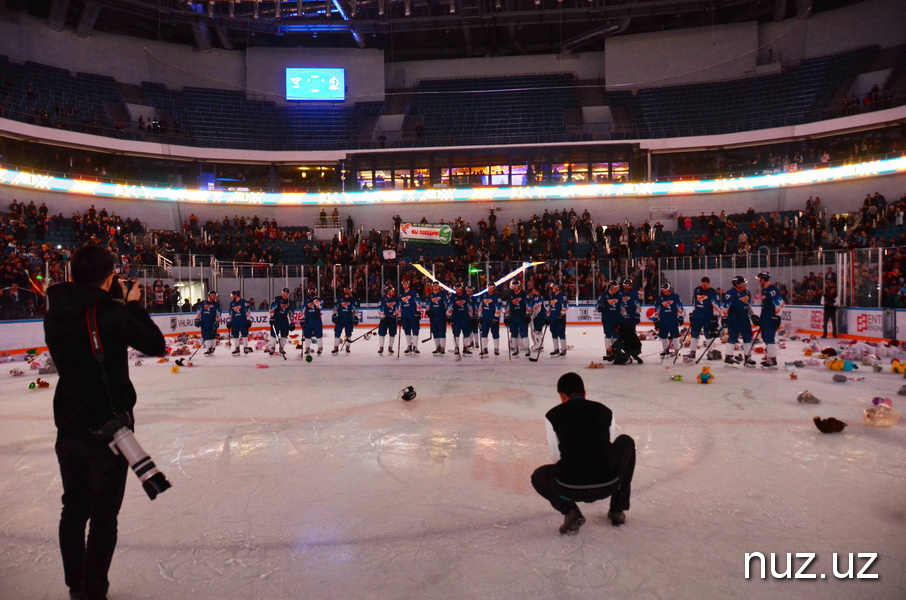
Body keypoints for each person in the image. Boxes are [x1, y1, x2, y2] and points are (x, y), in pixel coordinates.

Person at [44, 244, 166, 600]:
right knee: (102, 517)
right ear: (110, 276)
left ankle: (75, 587)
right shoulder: (108, 313)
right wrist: (132, 304)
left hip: (68, 426)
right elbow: (155, 344)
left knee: (73, 509)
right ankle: (93, 589)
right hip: (107, 432)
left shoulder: (54, 312)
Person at [531, 372, 636, 535]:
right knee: (626, 441)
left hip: (570, 486)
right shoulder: (605, 411)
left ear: (562, 395)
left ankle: (570, 510)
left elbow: (555, 455)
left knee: (539, 476)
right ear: (585, 393)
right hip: (608, 483)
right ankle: (617, 510)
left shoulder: (553, 416)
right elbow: (608, 449)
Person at [685, 276, 721, 361]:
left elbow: (715, 305)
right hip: (697, 316)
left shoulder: (713, 292)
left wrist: (716, 314)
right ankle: (692, 352)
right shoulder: (697, 290)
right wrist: (692, 313)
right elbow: (694, 302)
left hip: (708, 316)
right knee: (694, 334)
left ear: (709, 284)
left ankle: (710, 352)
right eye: (702, 284)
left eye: (705, 285)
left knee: (708, 335)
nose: (703, 286)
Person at [753, 271, 784, 369]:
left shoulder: (772, 289)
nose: (758, 281)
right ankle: (769, 358)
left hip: (772, 318)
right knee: (766, 338)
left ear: (763, 280)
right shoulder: (765, 290)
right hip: (766, 317)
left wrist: (776, 316)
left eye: (759, 280)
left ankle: (773, 361)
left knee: (770, 338)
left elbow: (780, 304)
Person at [721, 275, 755, 367]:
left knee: (748, 338)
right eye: (743, 284)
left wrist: (752, 315)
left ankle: (748, 358)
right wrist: (723, 318)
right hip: (734, 318)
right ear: (737, 285)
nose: (745, 285)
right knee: (732, 338)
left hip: (744, 318)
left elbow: (747, 305)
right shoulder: (730, 293)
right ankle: (728, 357)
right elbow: (725, 307)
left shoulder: (747, 292)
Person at [653, 282, 684, 358]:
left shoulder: (675, 297)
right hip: (663, 319)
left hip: (673, 319)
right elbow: (657, 310)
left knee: (675, 334)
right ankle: (665, 350)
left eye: (666, 289)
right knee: (663, 335)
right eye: (663, 290)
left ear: (669, 289)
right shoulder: (659, 299)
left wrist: (681, 317)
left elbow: (680, 307)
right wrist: (656, 319)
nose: (665, 291)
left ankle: (677, 350)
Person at [596, 280, 621, 361]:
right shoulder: (603, 295)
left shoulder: (619, 295)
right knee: (608, 335)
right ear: (611, 288)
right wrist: (600, 308)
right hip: (607, 319)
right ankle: (608, 351)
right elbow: (597, 306)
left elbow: (622, 307)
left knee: (616, 335)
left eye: (617, 288)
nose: (617, 289)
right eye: (615, 288)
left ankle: (616, 350)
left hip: (617, 318)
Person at [477, 282, 503, 357]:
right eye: (489, 287)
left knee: (495, 333)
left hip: (493, 318)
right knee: (484, 333)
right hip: (485, 318)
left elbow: (499, 307)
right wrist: (479, 316)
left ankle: (496, 348)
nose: (490, 289)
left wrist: (496, 317)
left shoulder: (497, 296)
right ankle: (484, 349)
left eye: (491, 287)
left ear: (494, 288)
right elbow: (480, 306)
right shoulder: (484, 295)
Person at [331, 287, 360, 354]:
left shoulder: (352, 300)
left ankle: (347, 348)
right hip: (340, 319)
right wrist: (334, 315)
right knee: (337, 333)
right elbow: (335, 307)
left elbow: (355, 309)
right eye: (346, 290)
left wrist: (356, 317)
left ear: (350, 292)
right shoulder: (339, 298)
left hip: (349, 319)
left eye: (348, 291)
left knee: (348, 333)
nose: (347, 292)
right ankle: (336, 348)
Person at [268, 287, 296, 357]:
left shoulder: (289, 302)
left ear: (288, 294)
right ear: (282, 293)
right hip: (276, 318)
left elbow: (291, 312)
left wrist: (292, 322)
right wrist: (271, 316)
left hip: (284, 319)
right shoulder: (277, 299)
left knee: (284, 334)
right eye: (283, 293)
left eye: (286, 294)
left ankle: (281, 348)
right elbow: (272, 308)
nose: (285, 295)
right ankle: (272, 348)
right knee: (274, 334)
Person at [448, 283, 473, 357]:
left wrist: (471, 317)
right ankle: (456, 347)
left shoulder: (466, 297)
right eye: (456, 289)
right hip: (456, 318)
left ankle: (465, 347)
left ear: (461, 289)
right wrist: (449, 317)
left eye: (458, 289)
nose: (457, 290)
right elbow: (449, 307)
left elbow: (470, 307)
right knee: (456, 334)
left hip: (465, 318)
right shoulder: (452, 297)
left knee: (466, 333)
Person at [398, 279, 423, 355]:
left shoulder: (413, 293)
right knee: (407, 331)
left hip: (413, 315)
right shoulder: (401, 295)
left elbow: (418, 303)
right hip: (405, 316)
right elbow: (399, 307)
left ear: (409, 285)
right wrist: (399, 317)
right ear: (402, 285)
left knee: (415, 330)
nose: (405, 284)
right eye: (404, 283)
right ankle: (409, 346)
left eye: (406, 283)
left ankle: (415, 346)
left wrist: (418, 312)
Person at [506, 280, 530, 357]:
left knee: (524, 333)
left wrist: (528, 314)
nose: (515, 287)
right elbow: (508, 306)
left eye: (516, 285)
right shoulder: (510, 295)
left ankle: (527, 349)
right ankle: (516, 349)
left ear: (519, 286)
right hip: (513, 317)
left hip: (522, 317)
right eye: (514, 285)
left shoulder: (524, 294)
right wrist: (506, 316)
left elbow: (528, 305)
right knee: (514, 334)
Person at [195, 290, 222, 356]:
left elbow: (218, 314)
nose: (214, 297)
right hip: (204, 322)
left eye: (215, 295)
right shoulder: (202, 303)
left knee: (213, 336)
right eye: (212, 295)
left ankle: (212, 348)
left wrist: (217, 321)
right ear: (209, 296)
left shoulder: (217, 305)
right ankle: (209, 349)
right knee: (206, 336)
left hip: (212, 322)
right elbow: (199, 312)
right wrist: (197, 319)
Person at [377, 284, 401, 355]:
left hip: (392, 319)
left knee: (392, 334)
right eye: (391, 290)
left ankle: (390, 347)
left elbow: (398, 308)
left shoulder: (396, 299)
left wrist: (395, 315)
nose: (393, 292)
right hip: (384, 319)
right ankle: (381, 347)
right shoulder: (382, 299)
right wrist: (383, 317)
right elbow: (380, 309)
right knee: (381, 334)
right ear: (387, 292)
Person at [426, 281, 448, 356]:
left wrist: (448, 314)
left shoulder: (443, 295)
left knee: (442, 332)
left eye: (436, 285)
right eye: (434, 285)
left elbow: (447, 305)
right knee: (435, 332)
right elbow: (427, 306)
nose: (435, 287)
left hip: (441, 317)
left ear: (438, 287)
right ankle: (437, 347)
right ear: (432, 287)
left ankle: (442, 348)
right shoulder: (430, 296)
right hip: (433, 317)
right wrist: (428, 312)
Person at [227, 290, 253, 355]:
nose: (231, 297)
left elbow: (248, 311)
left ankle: (245, 347)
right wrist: (229, 321)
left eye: (232, 295)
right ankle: (237, 348)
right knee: (235, 335)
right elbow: (230, 313)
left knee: (244, 334)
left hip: (242, 321)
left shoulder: (244, 302)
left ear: (236, 295)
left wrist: (248, 319)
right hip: (235, 321)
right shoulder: (231, 304)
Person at [302, 285, 324, 355]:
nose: (311, 292)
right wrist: (302, 319)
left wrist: (315, 299)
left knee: (319, 334)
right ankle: (307, 348)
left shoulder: (319, 300)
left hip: (316, 319)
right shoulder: (306, 301)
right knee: (307, 334)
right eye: (310, 291)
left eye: (313, 290)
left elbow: (320, 306)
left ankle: (320, 348)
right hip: (308, 320)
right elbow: (303, 310)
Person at [548, 281, 568, 357]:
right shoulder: (552, 296)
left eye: (554, 286)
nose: (552, 288)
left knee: (561, 333)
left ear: (558, 288)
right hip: (552, 317)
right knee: (553, 332)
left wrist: (561, 315)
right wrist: (547, 316)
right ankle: (556, 349)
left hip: (560, 318)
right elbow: (550, 307)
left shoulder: (562, 296)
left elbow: (565, 306)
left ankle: (563, 349)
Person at [528, 285, 547, 353]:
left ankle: (539, 344)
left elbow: (537, 307)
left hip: (539, 316)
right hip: (540, 315)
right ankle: (539, 344)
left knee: (537, 331)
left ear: (536, 291)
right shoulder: (538, 297)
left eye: (533, 291)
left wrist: (534, 314)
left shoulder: (537, 297)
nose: (532, 292)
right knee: (537, 330)